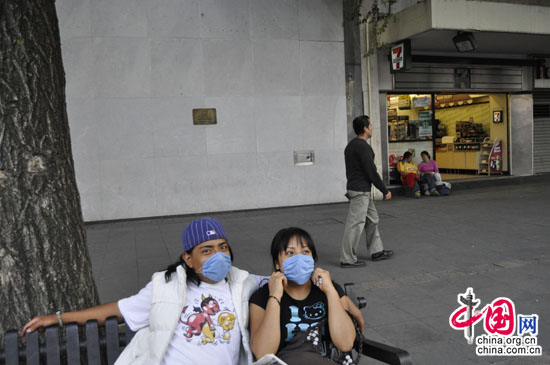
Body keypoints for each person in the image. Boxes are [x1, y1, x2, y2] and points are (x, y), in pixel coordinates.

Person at [21, 217, 257, 365]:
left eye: (222, 247)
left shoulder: (245, 284)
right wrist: (59, 318)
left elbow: (284, 282)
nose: (218, 255)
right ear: (188, 258)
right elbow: (118, 310)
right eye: (207, 250)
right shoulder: (165, 287)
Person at [249, 227, 359, 364]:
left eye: (305, 252)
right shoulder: (262, 297)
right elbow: (263, 353)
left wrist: (330, 291)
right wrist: (275, 297)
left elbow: (346, 343)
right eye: (290, 253)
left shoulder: (328, 289)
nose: (299, 258)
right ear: (277, 263)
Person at [340, 115, 393, 268]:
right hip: (360, 191)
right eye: (370, 125)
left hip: (359, 190)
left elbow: (351, 170)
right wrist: (384, 190)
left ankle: (377, 251)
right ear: (365, 128)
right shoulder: (363, 147)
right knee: (355, 224)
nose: (372, 127)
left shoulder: (351, 146)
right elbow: (371, 171)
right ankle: (347, 259)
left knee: (373, 219)